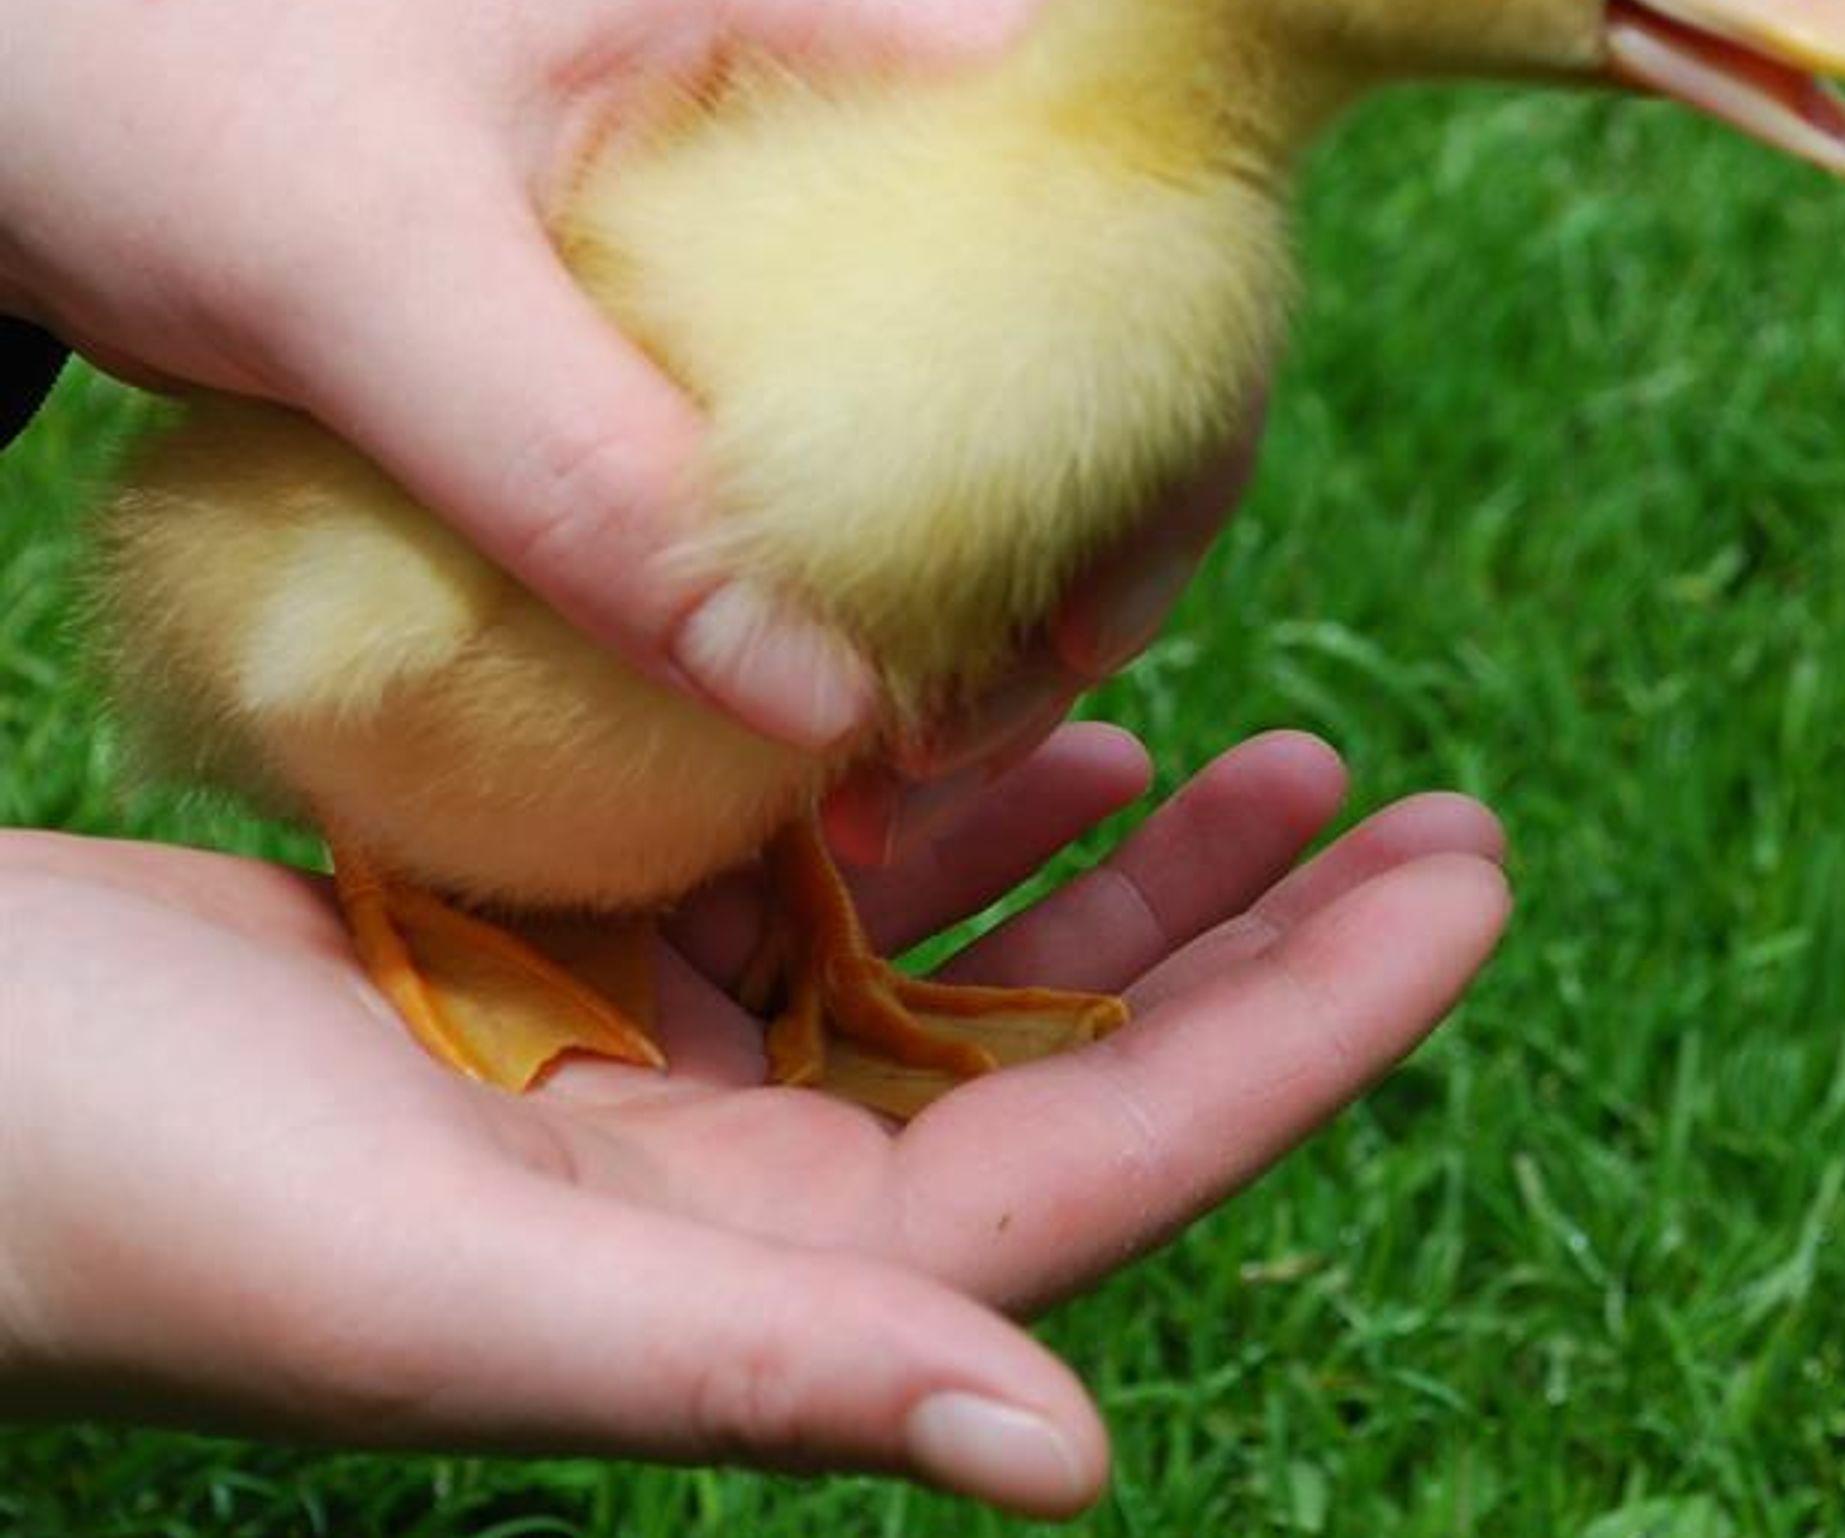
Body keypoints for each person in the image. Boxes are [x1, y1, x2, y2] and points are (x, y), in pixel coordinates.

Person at [0, 0, 1512, 1518]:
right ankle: (428, 891)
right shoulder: (947, 254)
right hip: (371, 623)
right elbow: (300, 623)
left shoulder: (1029, 240)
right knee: (421, 603)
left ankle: (810, 943)